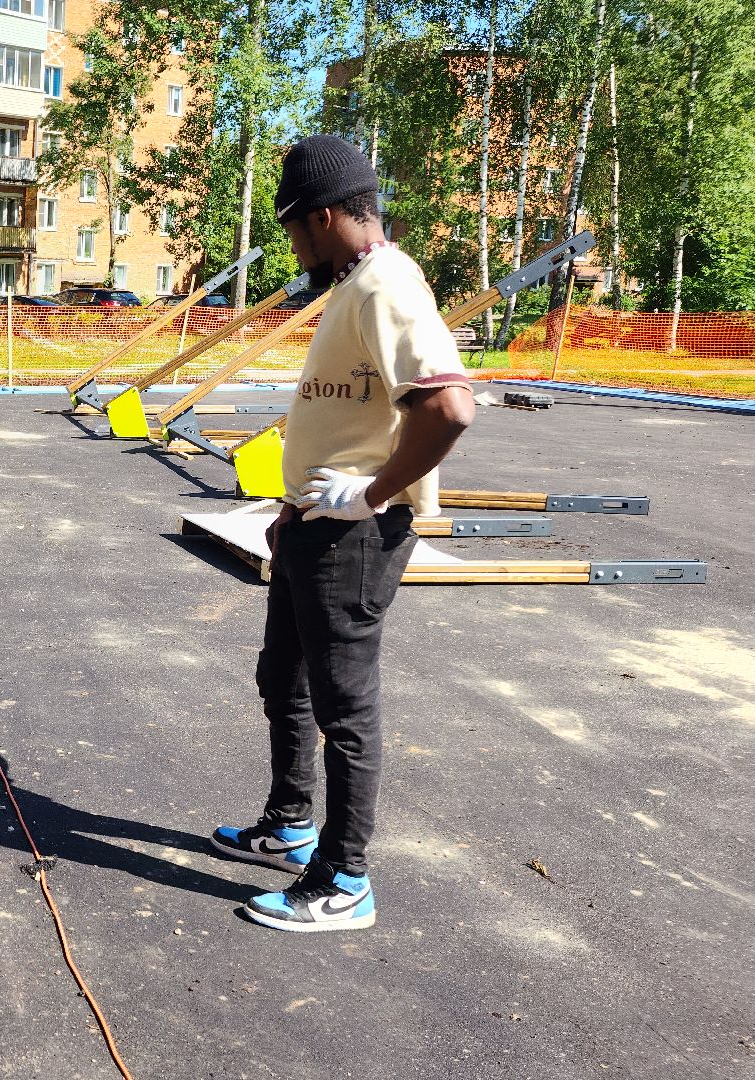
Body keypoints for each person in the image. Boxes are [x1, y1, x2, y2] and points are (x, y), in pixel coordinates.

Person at [207, 135, 476, 933]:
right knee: (280, 680)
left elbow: (448, 406)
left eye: (294, 230)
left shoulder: (388, 284)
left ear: (323, 217)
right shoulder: (357, 284)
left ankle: (342, 879)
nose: (294, 246)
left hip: (353, 537)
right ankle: (290, 825)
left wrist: (370, 493)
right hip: (308, 527)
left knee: (342, 708)